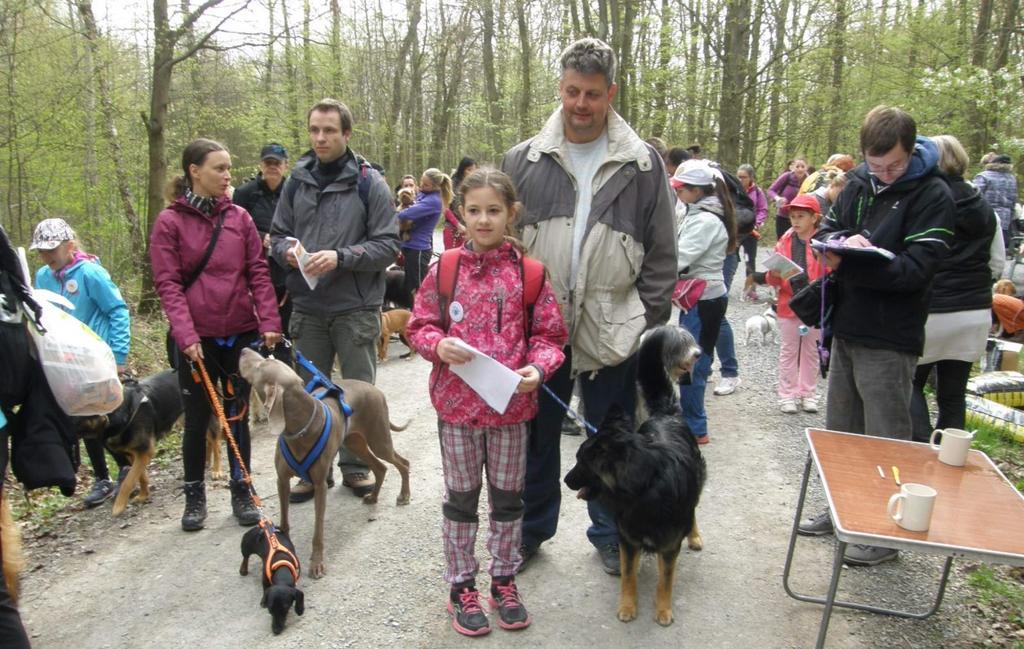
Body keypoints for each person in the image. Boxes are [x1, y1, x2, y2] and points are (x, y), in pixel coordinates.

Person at [501, 37, 676, 576]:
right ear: (560, 88)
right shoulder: (523, 159)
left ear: (611, 94)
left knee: (612, 442)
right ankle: (531, 531)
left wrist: (642, 321)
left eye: (593, 95)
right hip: (540, 333)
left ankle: (611, 534)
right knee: (536, 437)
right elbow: (503, 250)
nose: (581, 104)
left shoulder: (642, 164)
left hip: (613, 328)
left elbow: (663, 254)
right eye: (573, 91)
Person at [407, 168, 567, 637]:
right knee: (460, 501)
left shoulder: (530, 274)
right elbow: (418, 325)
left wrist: (537, 369)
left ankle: (504, 579)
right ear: (461, 213)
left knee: (508, 502)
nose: (483, 220)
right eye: (474, 211)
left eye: (493, 211)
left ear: (511, 214)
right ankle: (461, 586)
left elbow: (551, 336)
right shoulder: (445, 268)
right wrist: (437, 345)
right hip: (456, 411)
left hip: (511, 413)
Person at [798, 106, 955, 567]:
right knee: (841, 430)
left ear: (912, 150)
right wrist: (836, 245)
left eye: (895, 166)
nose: (884, 173)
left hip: (891, 335)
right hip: (847, 325)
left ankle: (887, 532)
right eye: (876, 164)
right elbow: (829, 227)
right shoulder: (861, 182)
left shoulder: (934, 195)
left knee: (885, 436)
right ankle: (843, 508)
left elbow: (919, 269)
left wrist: (860, 260)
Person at [270, 99, 401, 502]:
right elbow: (276, 235)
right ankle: (313, 472)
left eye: (329, 130)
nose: (321, 138)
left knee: (355, 393)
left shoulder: (369, 183)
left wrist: (341, 257)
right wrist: (286, 252)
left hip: (355, 307)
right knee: (307, 395)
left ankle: (356, 465)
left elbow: (388, 245)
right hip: (308, 308)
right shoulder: (296, 180)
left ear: (347, 134)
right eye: (314, 130)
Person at [150, 138, 283, 531]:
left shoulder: (239, 217)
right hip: (196, 338)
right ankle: (194, 497)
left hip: (239, 332)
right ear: (194, 171)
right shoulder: (169, 223)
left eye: (229, 168)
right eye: (219, 169)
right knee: (197, 418)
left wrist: (270, 320)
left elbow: (257, 272)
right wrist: (185, 334)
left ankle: (242, 491)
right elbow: (168, 283)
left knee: (237, 412)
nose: (228, 176)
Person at [31, 217, 131, 508]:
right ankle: (102, 478)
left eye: (53, 250)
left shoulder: (90, 273)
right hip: (63, 360)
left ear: (70, 246)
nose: (47, 256)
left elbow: (117, 311)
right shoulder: (42, 277)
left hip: (96, 356)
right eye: (42, 251)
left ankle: (127, 465)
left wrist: (119, 356)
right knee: (81, 418)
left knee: (107, 415)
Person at [910, 135, 1001, 442]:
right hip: (973, 313)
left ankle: (919, 451)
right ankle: (949, 460)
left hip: (931, 310)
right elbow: (997, 264)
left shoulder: (926, 201)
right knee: (953, 394)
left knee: (910, 383)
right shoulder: (984, 207)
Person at [672, 160, 737, 443]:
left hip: (703, 301)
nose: (677, 194)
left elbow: (680, 258)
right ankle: (691, 420)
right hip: (700, 300)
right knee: (695, 360)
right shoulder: (699, 214)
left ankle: (694, 427)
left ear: (697, 190)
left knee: (692, 364)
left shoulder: (706, 220)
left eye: (681, 189)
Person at [763, 194, 827, 413]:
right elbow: (773, 280)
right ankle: (786, 394)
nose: (796, 221)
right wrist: (774, 272)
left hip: (815, 305)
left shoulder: (823, 242)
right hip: (789, 304)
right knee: (789, 350)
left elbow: (829, 272)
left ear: (814, 218)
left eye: (801, 216)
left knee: (811, 351)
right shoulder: (784, 241)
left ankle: (808, 393)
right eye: (792, 216)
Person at [233, 143, 292, 332]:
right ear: (261, 165)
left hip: (288, 273)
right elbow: (234, 231)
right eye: (268, 163)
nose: (272, 167)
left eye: (277, 163)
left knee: (288, 331)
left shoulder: (295, 192)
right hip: (255, 274)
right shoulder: (244, 193)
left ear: (285, 166)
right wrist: (260, 237)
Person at [398, 168, 451, 297]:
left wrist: (391, 214)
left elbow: (407, 213)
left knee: (417, 289)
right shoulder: (424, 194)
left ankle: (420, 314)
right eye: (421, 182)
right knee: (409, 284)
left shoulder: (433, 201)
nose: (421, 186)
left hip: (418, 250)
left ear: (435, 186)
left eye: (426, 184)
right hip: (410, 246)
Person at [973, 154, 1018, 249]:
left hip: (986, 216)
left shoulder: (983, 176)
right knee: (999, 249)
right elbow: (1013, 200)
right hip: (1005, 218)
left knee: (984, 248)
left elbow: (974, 197)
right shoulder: (1012, 178)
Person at [737, 164, 768, 293]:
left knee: (749, 260)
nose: (740, 180)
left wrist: (757, 223)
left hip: (751, 232)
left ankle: (750, 289)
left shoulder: (757, 192)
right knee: (729, 258)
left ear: (750, 178)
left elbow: (763, 209)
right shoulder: (733, 190)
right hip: (736, 231)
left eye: (743, 177)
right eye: (738, 177)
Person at [768, 157, 809, 239]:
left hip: (801, 218)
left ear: (806, 168)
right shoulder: (787, 176)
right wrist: (778, 198)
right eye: (797, 166)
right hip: (783, 216)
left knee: (798, 243)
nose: (800, 169)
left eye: (802, 166)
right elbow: (771, 190)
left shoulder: (809, 180)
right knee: (782, 241)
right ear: (793, 167)